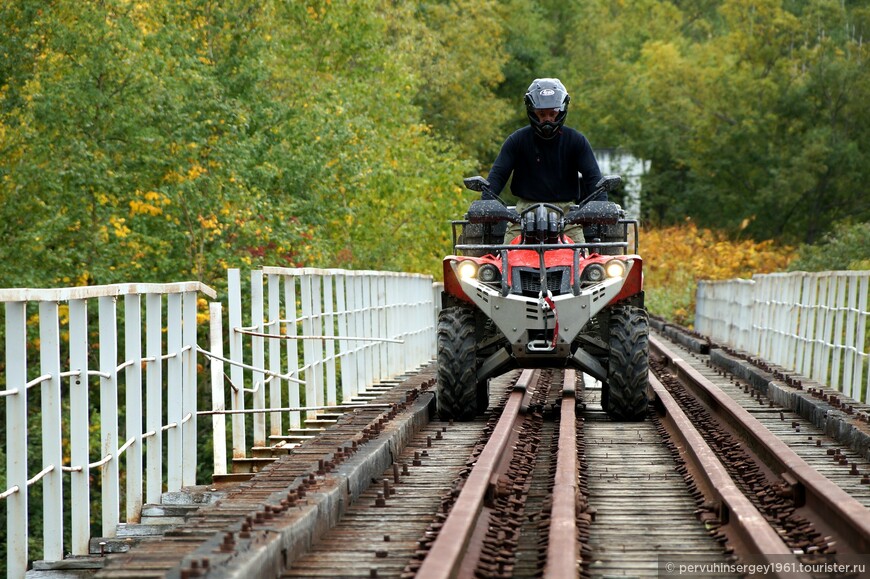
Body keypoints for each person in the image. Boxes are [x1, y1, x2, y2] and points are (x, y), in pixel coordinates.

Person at [485, 78, 604, 243]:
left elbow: (594, 180)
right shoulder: (517, 141)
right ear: (532, 112)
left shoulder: (576, 141)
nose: (547, 119)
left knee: (583, 261)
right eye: (542, 114)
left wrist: (602, 204)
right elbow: (497, 177)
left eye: (552, 114)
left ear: (560, 112)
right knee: (506, 258)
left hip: (567, 216)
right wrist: (485, 202)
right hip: (523, 214)